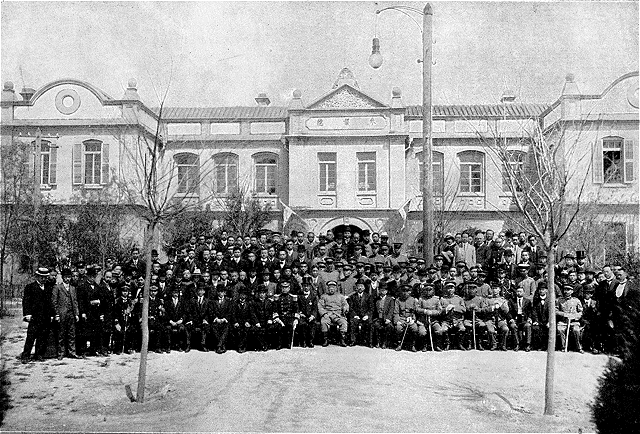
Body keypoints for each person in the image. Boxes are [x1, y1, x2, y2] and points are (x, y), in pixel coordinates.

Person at [21, 267, 55, 363]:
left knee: (42, 337)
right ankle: (25, 355)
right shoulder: (30, 287)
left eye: (45, 277)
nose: (43, 279)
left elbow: (50, 303)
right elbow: (26, 301)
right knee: (31, 337)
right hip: (34, 317)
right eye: (41, 277)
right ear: (37, 277)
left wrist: (52, 314)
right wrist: (27, 314)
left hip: (45, 316)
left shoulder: (48, 288)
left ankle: (39, 355)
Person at [51, 268, 80, 360]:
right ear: (63, 277)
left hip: (71, 314)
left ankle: (72, 352)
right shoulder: (57, 287)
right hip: (62, 314)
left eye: (69, 277)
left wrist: (76, 314)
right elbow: (54, 302)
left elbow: (75, 302)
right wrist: (57, 314)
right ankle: (61, 353)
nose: (68, 279)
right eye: (66, 277)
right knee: (61, 334)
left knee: (72, 333)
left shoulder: (73, 288)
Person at [318, 280, 349, 347]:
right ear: (327, 288)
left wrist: (345, 308)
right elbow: (320, 306)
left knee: (343, 322)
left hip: (338, 314)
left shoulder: (341, 296)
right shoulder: (324, 296)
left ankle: (342, 340)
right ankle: (325, 339)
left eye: (333, 287)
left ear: (336, 288)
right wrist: (324, 314)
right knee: (324, 322)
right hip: (328, 314)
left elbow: (345, 304)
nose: (331, 289)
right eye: (330, 287)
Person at [439, 280, 467, 351]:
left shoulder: (459, 299)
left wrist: (455, 307)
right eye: (448, 288)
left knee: (462, 329)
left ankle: (459, 343)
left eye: (451, 288)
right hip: (446, 321)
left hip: (458, 320)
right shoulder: (442, 299)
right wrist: (446, 309)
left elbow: (464, 309)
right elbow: (439, 311)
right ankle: (447, 343)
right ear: (445, 289)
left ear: (454, 289)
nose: (450, 290)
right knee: (443, 329)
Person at [416, 283, 444, 351]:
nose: (428, 292)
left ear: (433, 290)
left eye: (430, 290)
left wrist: (432, 312)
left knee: (439, 330)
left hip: (433, 321)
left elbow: (439, 311)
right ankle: (424, 345)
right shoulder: (421, 299)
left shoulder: (436, 299)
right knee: (422, 332)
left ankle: (437, 345)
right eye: (426, 290)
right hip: (423, 321)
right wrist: (424, 311)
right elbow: (417, 309)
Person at [556, 284, 584, 353]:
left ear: (572, 291)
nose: (566, 291)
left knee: (576, 330)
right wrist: (564, 314)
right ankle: (564, 346)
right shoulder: (559, 300)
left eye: (568, 290)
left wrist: (575, 316)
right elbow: (556, 311)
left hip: (574, 322)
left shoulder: (576, 300)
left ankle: (579, 347)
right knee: (560, 329)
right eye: (565, 290)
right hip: (563, 321)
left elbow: (581, 312)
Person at [273, 280, 300, 350]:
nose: (284, 289)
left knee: (290, 326)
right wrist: (277, 319)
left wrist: (296, 319)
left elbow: (296, 310)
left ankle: (288, 343)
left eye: (286, 287)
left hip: (290, 317)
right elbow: (275, 310)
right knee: (279, 327)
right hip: (280, 317)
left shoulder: (293, 298)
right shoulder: (277, 297)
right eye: (283, 287)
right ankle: (279, 344)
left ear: (289, 288)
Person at [486, 282, 511, 351]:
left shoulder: (503, 300)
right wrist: (492, 307)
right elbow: (484, 309)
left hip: (500, 319)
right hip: (491, 319)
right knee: (490, 330)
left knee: (505, 329)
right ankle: (494, 344)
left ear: (499, 289)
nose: (494, 290)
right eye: (493, 288)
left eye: (496, 288)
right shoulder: (488, 300)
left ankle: (503, 345)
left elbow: (506, 311)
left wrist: (501, 305)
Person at [347, 279, 373, 347]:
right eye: (358, 286)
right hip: (356, 316)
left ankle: (369, 342)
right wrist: (355, 315)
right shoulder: (352, 297)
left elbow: (371, 308)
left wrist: (367, 315)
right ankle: (353, 341)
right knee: (353, 322)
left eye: (361, 286)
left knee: (370, 323)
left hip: (365, 316)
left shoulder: (368, 296)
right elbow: (351, 308)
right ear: (356, 287)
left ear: (364, 287)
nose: (360, 288)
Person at [393, 284, 419, 352]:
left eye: (407, 291)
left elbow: (415, 312)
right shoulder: (398, 300)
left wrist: (413, 319)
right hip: (401, 319)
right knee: (398, 328)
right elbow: (396, 312)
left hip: (410, 319)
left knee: (414, 328)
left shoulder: (413, 300)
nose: (405, 293)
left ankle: (413, 345)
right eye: (403, 291)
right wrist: (398, 321)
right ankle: (399, 344)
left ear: (410, 292)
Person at [165, 286, 189, 352]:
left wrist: (181, 320)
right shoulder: (167, 302)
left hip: (179, 321)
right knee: (168, 329)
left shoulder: (182, 302)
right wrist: (170, 321)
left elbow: (185, 312)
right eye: (174, 292)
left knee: (181, 328)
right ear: (171, 293)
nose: (175, 294)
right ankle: (168, 346)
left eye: (177, 293)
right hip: (170, 321)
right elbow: (165, 313)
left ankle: (179, 346)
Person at [508, 287, 533, 351]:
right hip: (516, 319)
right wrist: (511, 318)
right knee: (513, 326)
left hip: (524, 319)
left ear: (523, 292)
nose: (519, 293)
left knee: (528, 326)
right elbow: (509, 311)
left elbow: (530, 311)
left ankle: (527, 345)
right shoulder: (511, 301)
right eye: (518, 291)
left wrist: (529, 318)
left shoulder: (527, 301)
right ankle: (517, 344)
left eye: (520, 291)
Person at [297, 277, 319, 348]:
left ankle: (310, 341)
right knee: (302, 324)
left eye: (307, 286)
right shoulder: (299, 295)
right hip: (303, 315)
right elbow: (297, 306)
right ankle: (303, 341)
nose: (306, 287)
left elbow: (315, 308)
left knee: (312, 324)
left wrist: (313, 315)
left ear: (310, 286)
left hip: (311, 315)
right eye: (304, 286)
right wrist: (300, 313)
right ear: (302, 286)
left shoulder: (313, 296)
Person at [210, 286, 233, 353]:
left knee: (226, 328)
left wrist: (224, 319)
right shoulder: (213, 301)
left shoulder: (228, 301)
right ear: (217, 292)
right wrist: (216, 318)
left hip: (225, 320)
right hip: (216, 320)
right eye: (219, 292)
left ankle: (219, 345)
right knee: (214, 327)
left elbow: (230, 312)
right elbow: (211, 311)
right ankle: (222, 345)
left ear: (224, 293)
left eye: (222, 292)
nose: (220, 293)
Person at [372, 283, 395, 349]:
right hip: (378, 318)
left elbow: (391, 310)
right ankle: (378, 342)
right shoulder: (376, 299)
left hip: (386, 318)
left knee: (388, 326)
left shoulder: (390, 299)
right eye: (381, 290)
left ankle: (385, 342)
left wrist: (388, 318)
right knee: (376, 325)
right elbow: (374, 310)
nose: (382, 292)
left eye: (384, 290)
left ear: (386, 291)